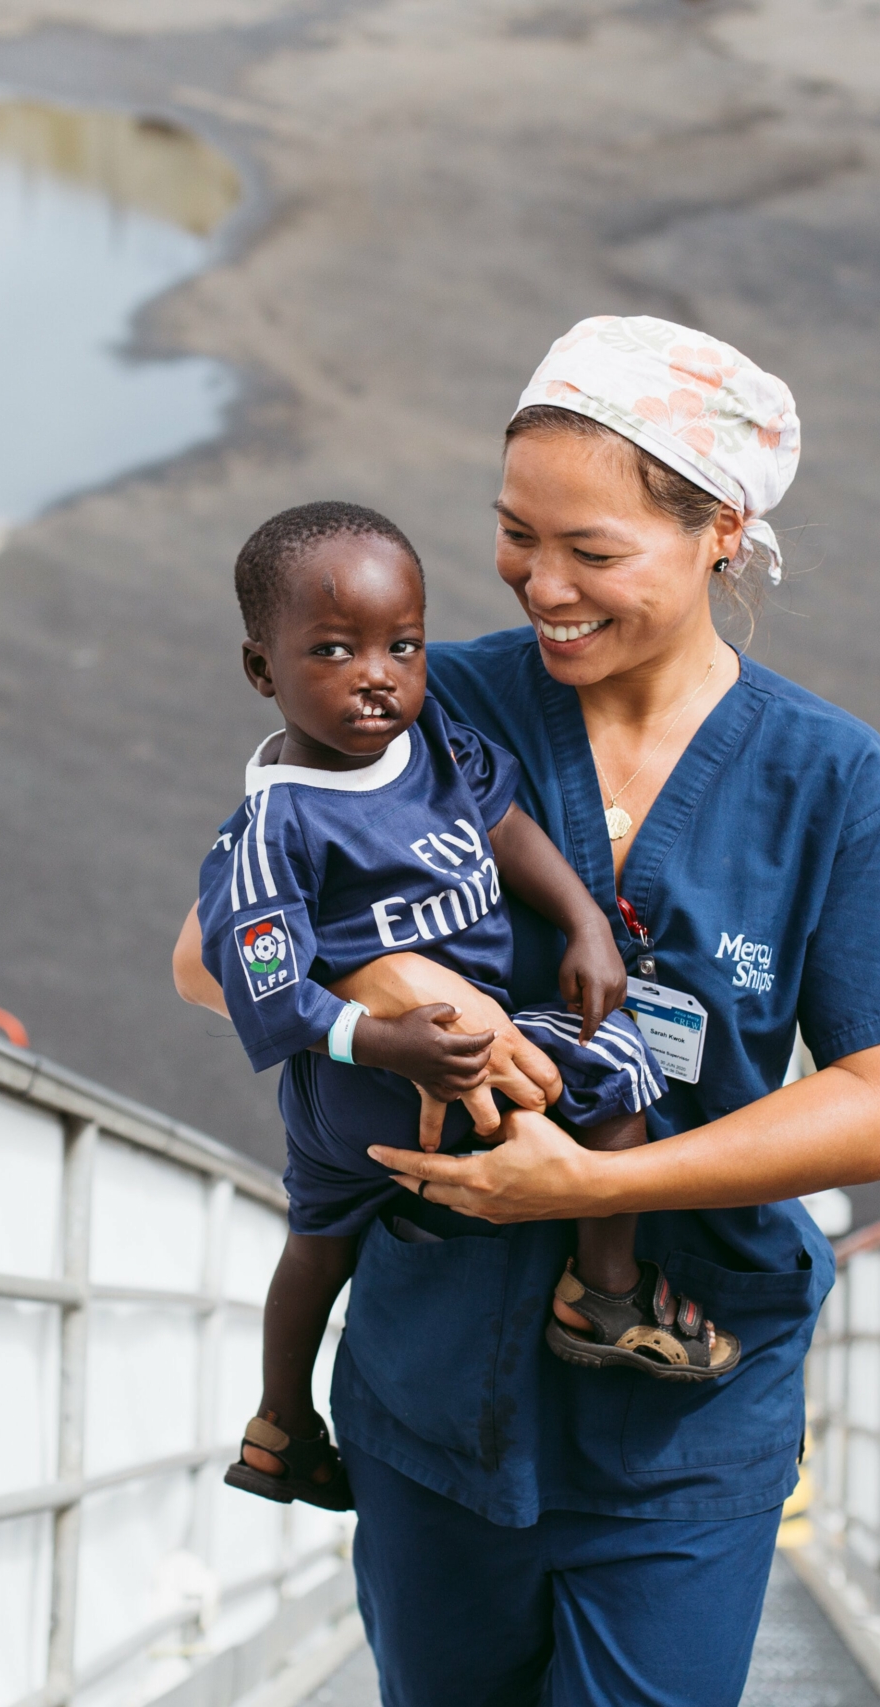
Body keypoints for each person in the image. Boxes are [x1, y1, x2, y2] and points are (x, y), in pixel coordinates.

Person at [174, 316, 880, 1705]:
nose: (540, 583)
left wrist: (586, 1183)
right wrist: (396, 985)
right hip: (431, 1389)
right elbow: (209, 951)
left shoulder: (834, 781)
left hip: (685, 1415)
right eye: (514, 535)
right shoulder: (428, 696)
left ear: (720, 529)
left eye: (590, 551)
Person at [199, 501, 743, 1515]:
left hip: (384, 1083)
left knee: (319, 1242)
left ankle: (279, 1427)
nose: (379, 674)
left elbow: (502, 825)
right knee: (617, 1069)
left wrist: (583, 920)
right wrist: (388, 1040)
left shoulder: (431, 737)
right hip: (375, 1074)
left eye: (401, 645)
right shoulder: (272, 827)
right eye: (332, 650)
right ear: (261, 672)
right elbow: (266, 992)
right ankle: (605, 1292)